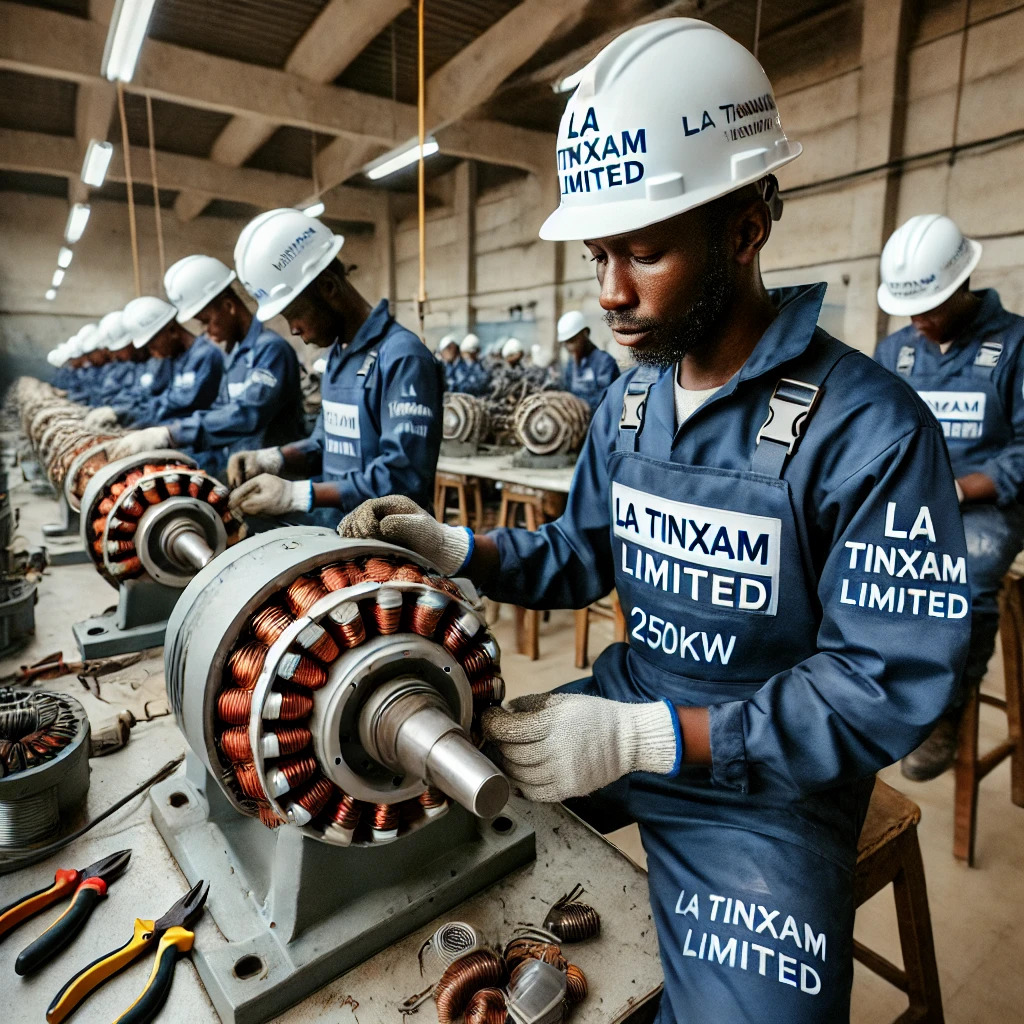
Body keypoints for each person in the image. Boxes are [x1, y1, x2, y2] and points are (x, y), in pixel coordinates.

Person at [337, 19, 970, 1023]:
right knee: (401, 831)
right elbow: (582, 552)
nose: (610, 293)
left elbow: (876, 688)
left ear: (745, 228)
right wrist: (459, 546)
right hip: (623, 705)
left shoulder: (870, 430)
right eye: (598, 255)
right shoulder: (631, 404)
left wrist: (648, 738)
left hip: (770, 790)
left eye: (642, 252)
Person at [874, 214, 1024, 780]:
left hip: (988, 507)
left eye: (930, 306)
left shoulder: (1016, 346)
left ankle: (945, 710)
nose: (918, 320)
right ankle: (881, 691)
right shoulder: (896, 352)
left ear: (963, 283)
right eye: (910, 309)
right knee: (849, 563)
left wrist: (959, 490)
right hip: (914, 501)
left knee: (967, 577)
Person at [226, 208, 442, 527]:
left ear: (328, 287)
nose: (293, 329)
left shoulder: (402, 357)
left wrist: (298, 494)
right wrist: (273, 458)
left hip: (389, 539)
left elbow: (403, 477)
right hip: (339, 531)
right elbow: (324, 442)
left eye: (294, 314)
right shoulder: (339, 357)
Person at [106, 255, 303, 475]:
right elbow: (219, 411)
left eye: (207, 321)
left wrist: (174, 434)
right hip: (235, 467)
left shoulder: (271, 350)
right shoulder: (233, 355)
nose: (206, 332)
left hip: (272, 476)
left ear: (229, 306)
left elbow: (248, 414)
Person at [104, 296, 223, 448]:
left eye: (152, 343)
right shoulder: (172, 360)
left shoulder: (206, 355)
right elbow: (157, 401)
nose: (151, 350)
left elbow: (179, 405)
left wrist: (139, 423)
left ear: (172, 330)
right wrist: (126, 419)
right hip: (175, 437)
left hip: (198, 444)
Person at [558, 309, 621, 411]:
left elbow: (605, 400)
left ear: (585, 333)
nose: (569, 347)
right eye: (565, 343)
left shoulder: (604, 362)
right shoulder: (572, 362)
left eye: (572, 341)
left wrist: (578, 405)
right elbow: (567, 390)